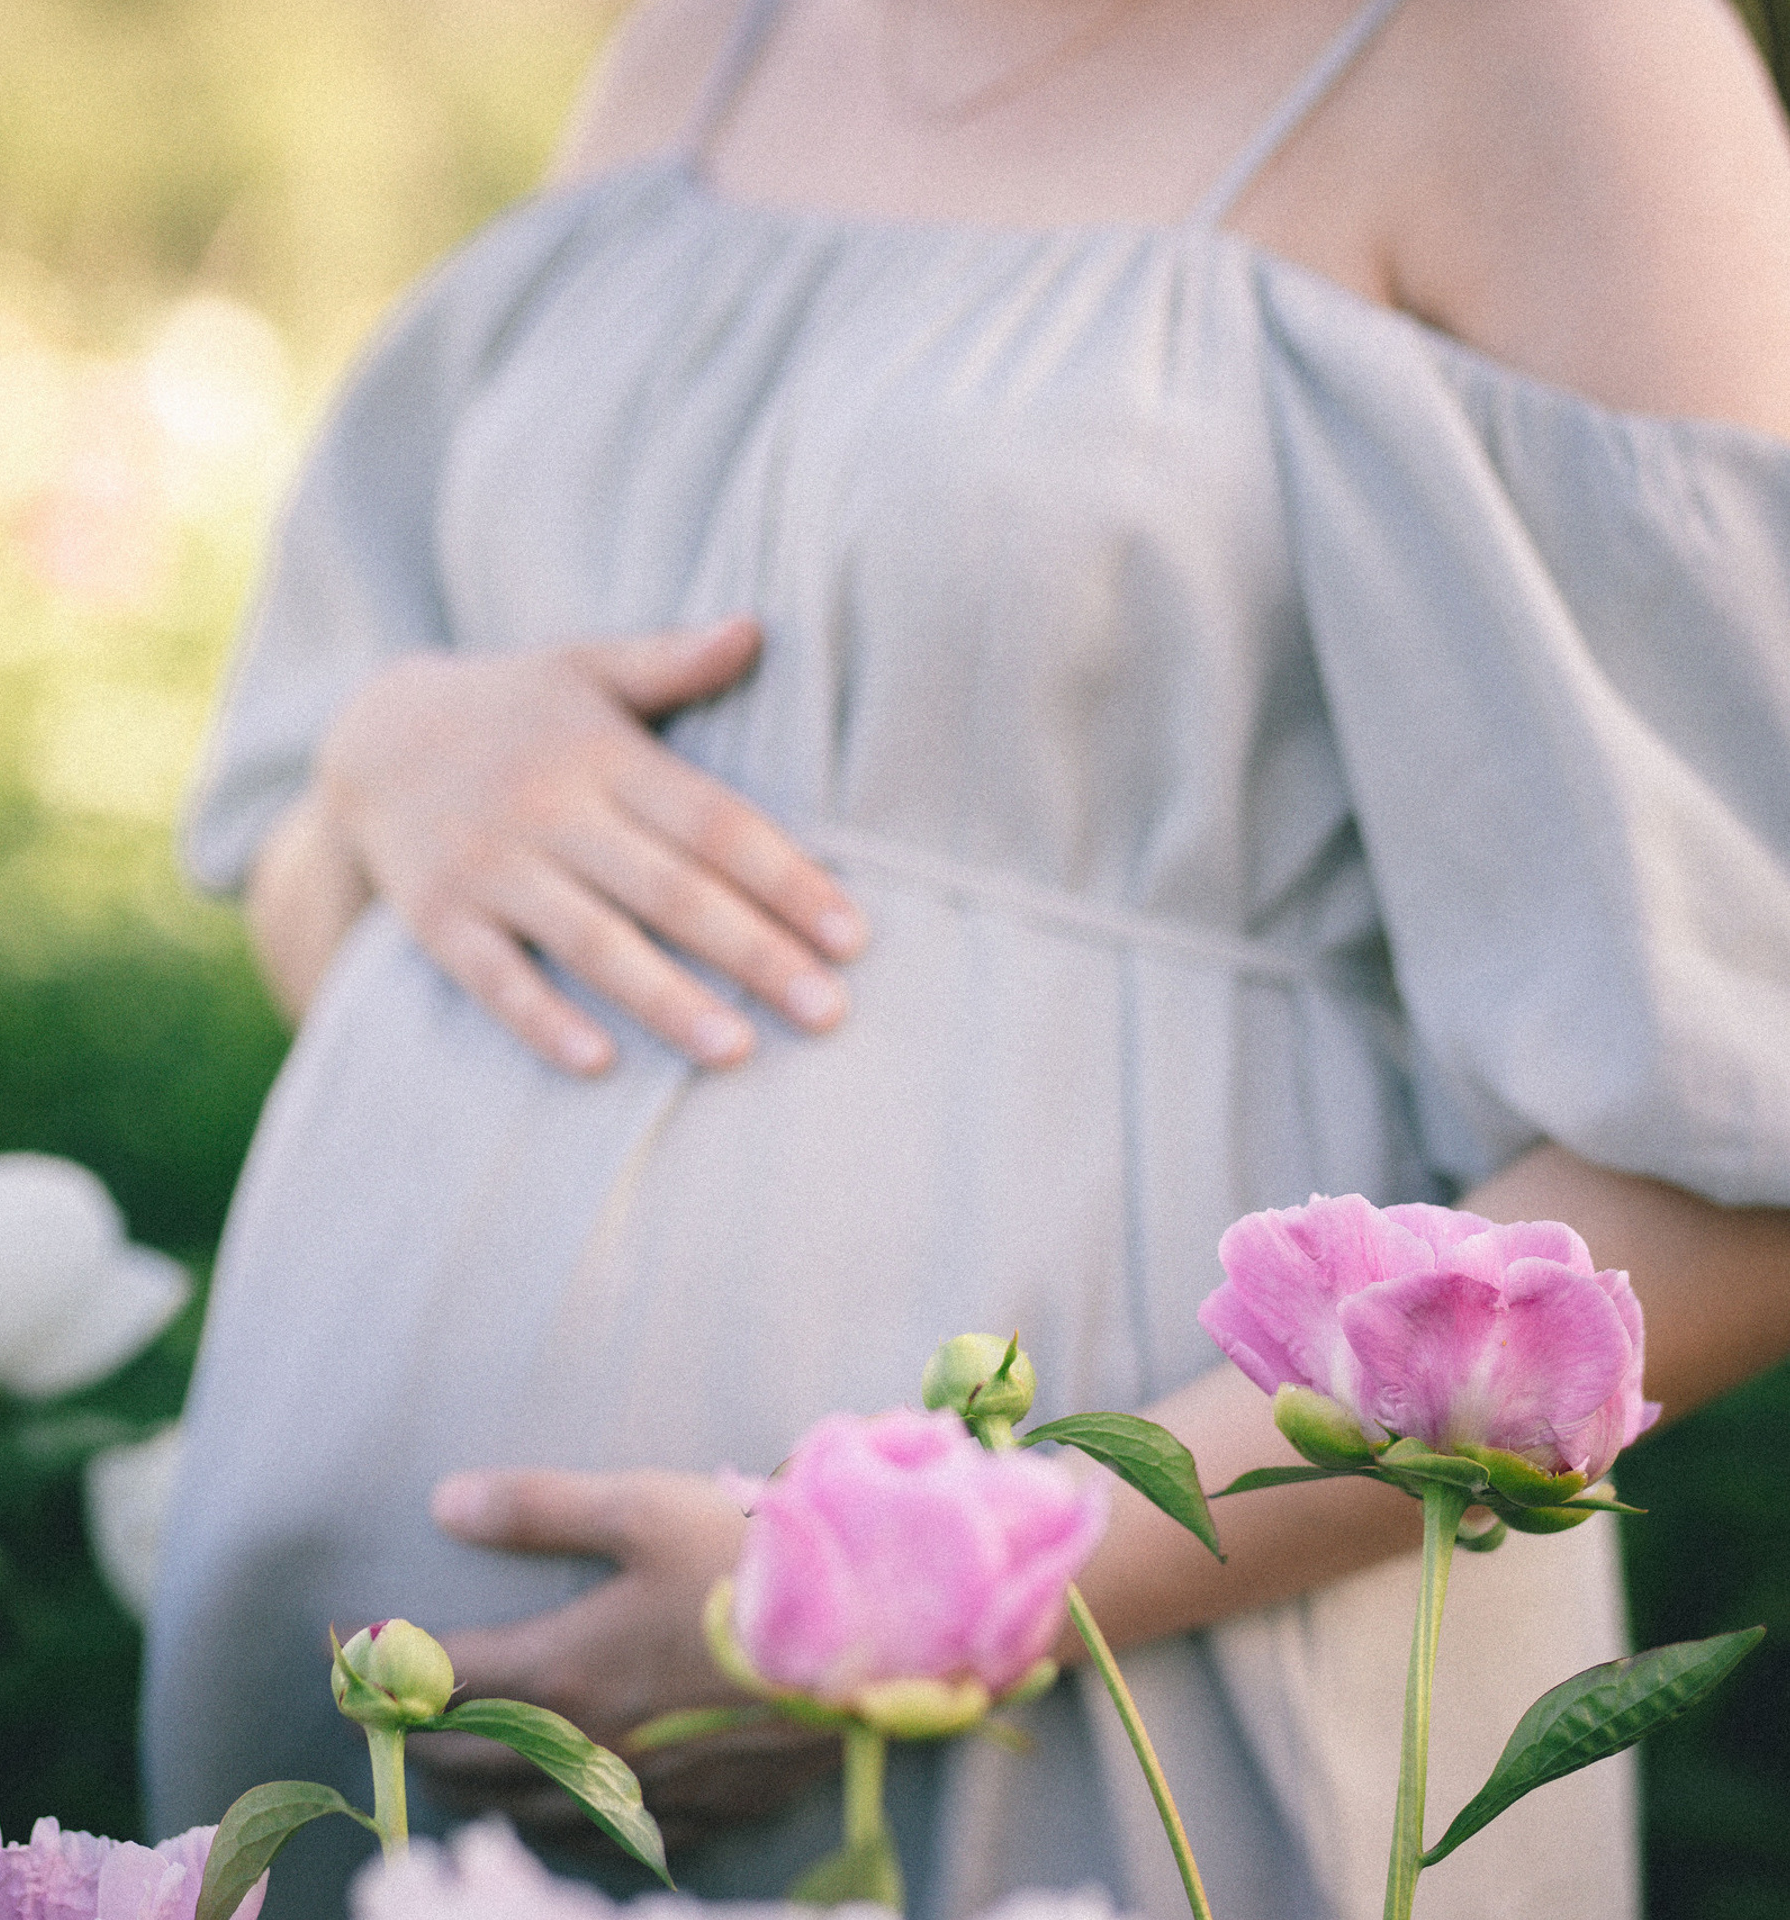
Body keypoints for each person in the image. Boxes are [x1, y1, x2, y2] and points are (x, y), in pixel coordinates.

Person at [145, 1, 1790, 1915]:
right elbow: (370, 965)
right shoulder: (707, 37)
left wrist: (953, 1590)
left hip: (1113, 1719)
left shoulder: (1553, 58)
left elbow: (1750, 1141)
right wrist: (385, 769)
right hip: (354, 1752)